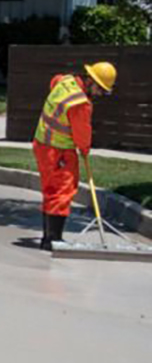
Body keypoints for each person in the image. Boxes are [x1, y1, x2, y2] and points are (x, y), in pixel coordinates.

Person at [32, 61, 117, 250]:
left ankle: (48, 238)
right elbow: (82, 133)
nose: (101, 95)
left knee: (50, 191)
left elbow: (53, 83)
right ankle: (54, 240)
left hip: (42, 144)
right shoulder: (80, 104)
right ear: (91, 81)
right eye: (101, 90)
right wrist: (85, 149)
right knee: (62, 192)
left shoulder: (65, 81)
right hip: (59, 151)